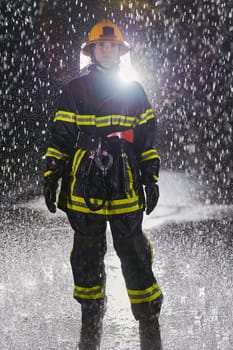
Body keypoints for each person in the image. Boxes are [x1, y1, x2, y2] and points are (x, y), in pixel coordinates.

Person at [43, 19, 163, 350]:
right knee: (86, 254)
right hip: (85, 187)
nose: (107, 50)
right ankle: (91, 313)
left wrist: (150, 178)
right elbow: (61, 137)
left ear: (121, 52)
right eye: (101, 45)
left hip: (124, 183)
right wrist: (51, 173)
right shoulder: (75, 90)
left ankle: (147, 315)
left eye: (113, 46)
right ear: (92, 50)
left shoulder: (134, 91)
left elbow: (146, 142)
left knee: (134, 251)